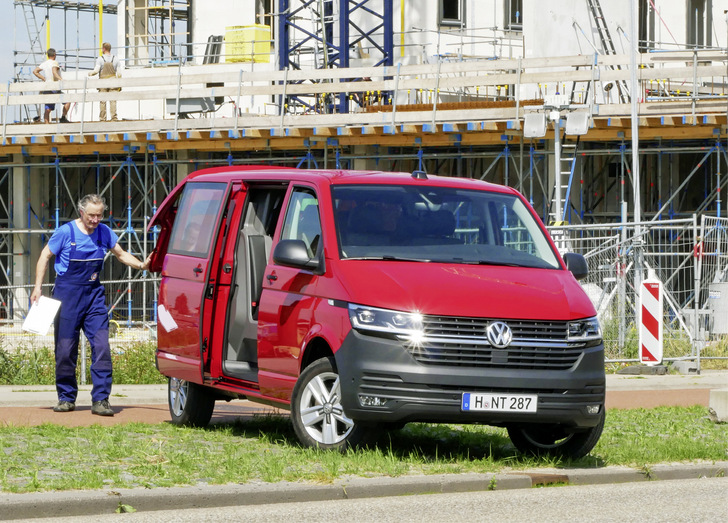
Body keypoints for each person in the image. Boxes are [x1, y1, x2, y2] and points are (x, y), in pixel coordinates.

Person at [30, 194, 152, 416]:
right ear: (81, 212)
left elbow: (121, 254)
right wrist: (38, 287)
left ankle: (101, 400)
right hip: (67, 297)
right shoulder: (65, 233)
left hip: (94, 297)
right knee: (65, 350)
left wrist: (142, 265)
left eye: (100, 215)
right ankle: (66, 398)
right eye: (92, 215)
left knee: (102, 347)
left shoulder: (104, 232)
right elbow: (44, 256)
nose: (96, 220)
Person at [33, 48, 71, 124]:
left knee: (48, 109)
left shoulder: (44, 63)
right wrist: (61, 79)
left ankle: (47, 125)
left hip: (47, 87)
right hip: (55, 87)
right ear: (54, 55)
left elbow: (35, 71)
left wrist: (44, 78)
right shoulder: (54, 62)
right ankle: (63, 117)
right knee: (67, 102)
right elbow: (54, 72)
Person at [88, 42, 120, 121]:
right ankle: (114, 118)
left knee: (103, 101)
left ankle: (103, 118)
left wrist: (90, 73)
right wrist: (120, 84)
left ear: (104, 49)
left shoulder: (100, 59)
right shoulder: (115, 59)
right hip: (113, 81)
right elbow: (119, 73)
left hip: (103, 82)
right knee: (113, 101)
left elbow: (96, 71)